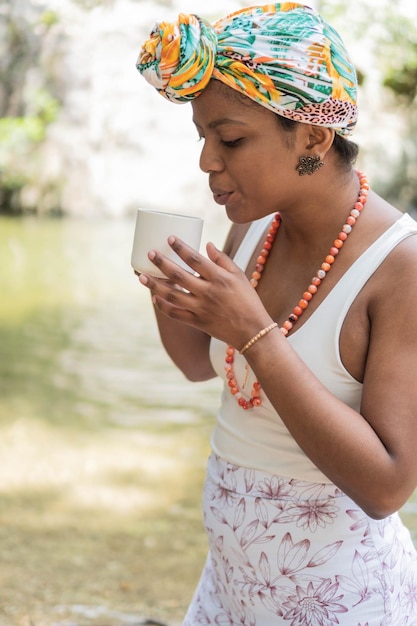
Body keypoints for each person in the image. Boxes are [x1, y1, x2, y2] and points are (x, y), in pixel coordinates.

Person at [136, 3, 417, 624]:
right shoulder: (256, 225)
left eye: (230, 139)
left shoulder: (401, 267)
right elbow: (199, 367)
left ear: (314, 136)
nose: (208, 161)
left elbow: (388, 485)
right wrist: (169, 295)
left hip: (341, 602)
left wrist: (256, 335)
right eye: (202, 137)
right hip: (227, 590)